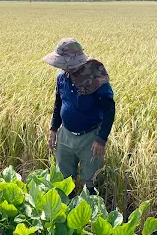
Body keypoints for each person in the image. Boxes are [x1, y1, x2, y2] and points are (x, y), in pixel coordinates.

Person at [43, 38, 116, 195]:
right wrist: (54, 129)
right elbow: (58, 103)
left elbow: (109, 109)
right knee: (63, 181)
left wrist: (102, 138)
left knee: (91, 182)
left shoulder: (95, 81)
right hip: (66, 135)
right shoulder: (62, 78)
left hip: (90, 138)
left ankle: (87, 216)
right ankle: (63, 213)